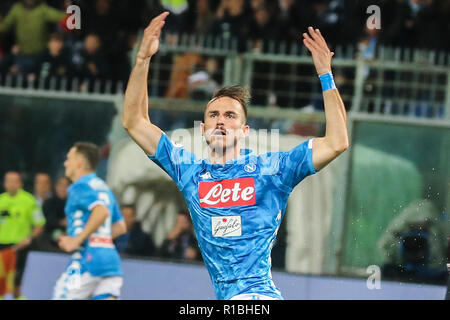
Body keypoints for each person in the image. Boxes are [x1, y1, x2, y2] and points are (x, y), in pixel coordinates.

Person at [122, 12, 348, 300]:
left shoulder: (272, 170)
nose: (220, 121)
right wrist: (142, 60)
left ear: (244, 131)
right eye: (214, 115)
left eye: (230, 116)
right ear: (203, 129)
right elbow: (134, 122)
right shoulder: (189, 171)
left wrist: (326, 76)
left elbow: (337, 142)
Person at [52, 142, 126, 300]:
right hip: (110, 260)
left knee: (61, 294)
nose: (66, 163)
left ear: (79, 163)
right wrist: (98, 239)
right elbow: (120, 227)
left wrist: (76, 240)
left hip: (83, 261)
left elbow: (101, 212)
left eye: (69, 158)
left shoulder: (79, 186)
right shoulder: (104, 188)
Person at [0, 171, 45, 300]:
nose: (11, 184)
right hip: (2, 245)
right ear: (5, 183)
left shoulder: (29, 201)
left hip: (19, 246)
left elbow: (39, 224)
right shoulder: (1, 199)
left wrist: (28, 239)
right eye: (8, 181)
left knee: (16, 281)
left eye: (14, 181)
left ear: (20, 183)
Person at [38, 176, 70, 252]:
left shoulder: (73, 204)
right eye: (61, 185)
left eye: (66, 186)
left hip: (68, 238)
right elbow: (49, 221)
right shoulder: (48, 202)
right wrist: (62, 222)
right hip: (49, 238)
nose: (63, 188)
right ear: (56, 187)